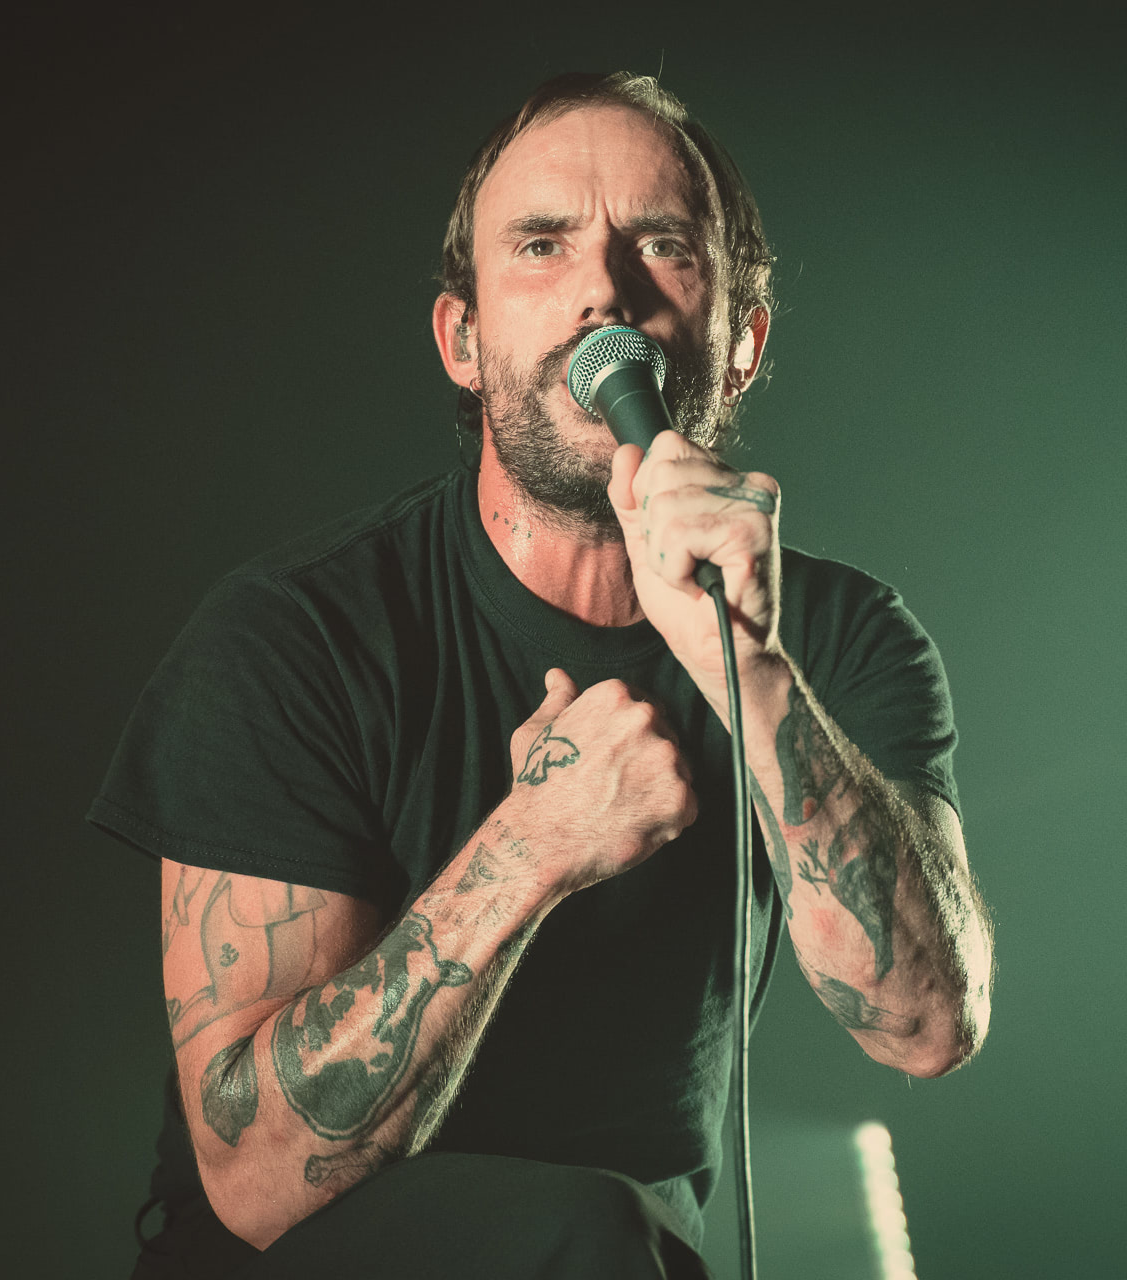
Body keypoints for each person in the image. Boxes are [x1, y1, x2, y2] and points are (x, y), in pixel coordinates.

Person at [89, 71, 995, 1279]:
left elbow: (929, 1022)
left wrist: (747, 665)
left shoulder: (838, 639)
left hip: (627, 1258)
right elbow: (256, 1178)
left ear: (741, 345)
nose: (602, 290)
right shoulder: (296, 634)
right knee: (590, 1226)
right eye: (541, 245)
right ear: (463, 342)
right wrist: (534, 845)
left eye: (662, 246)